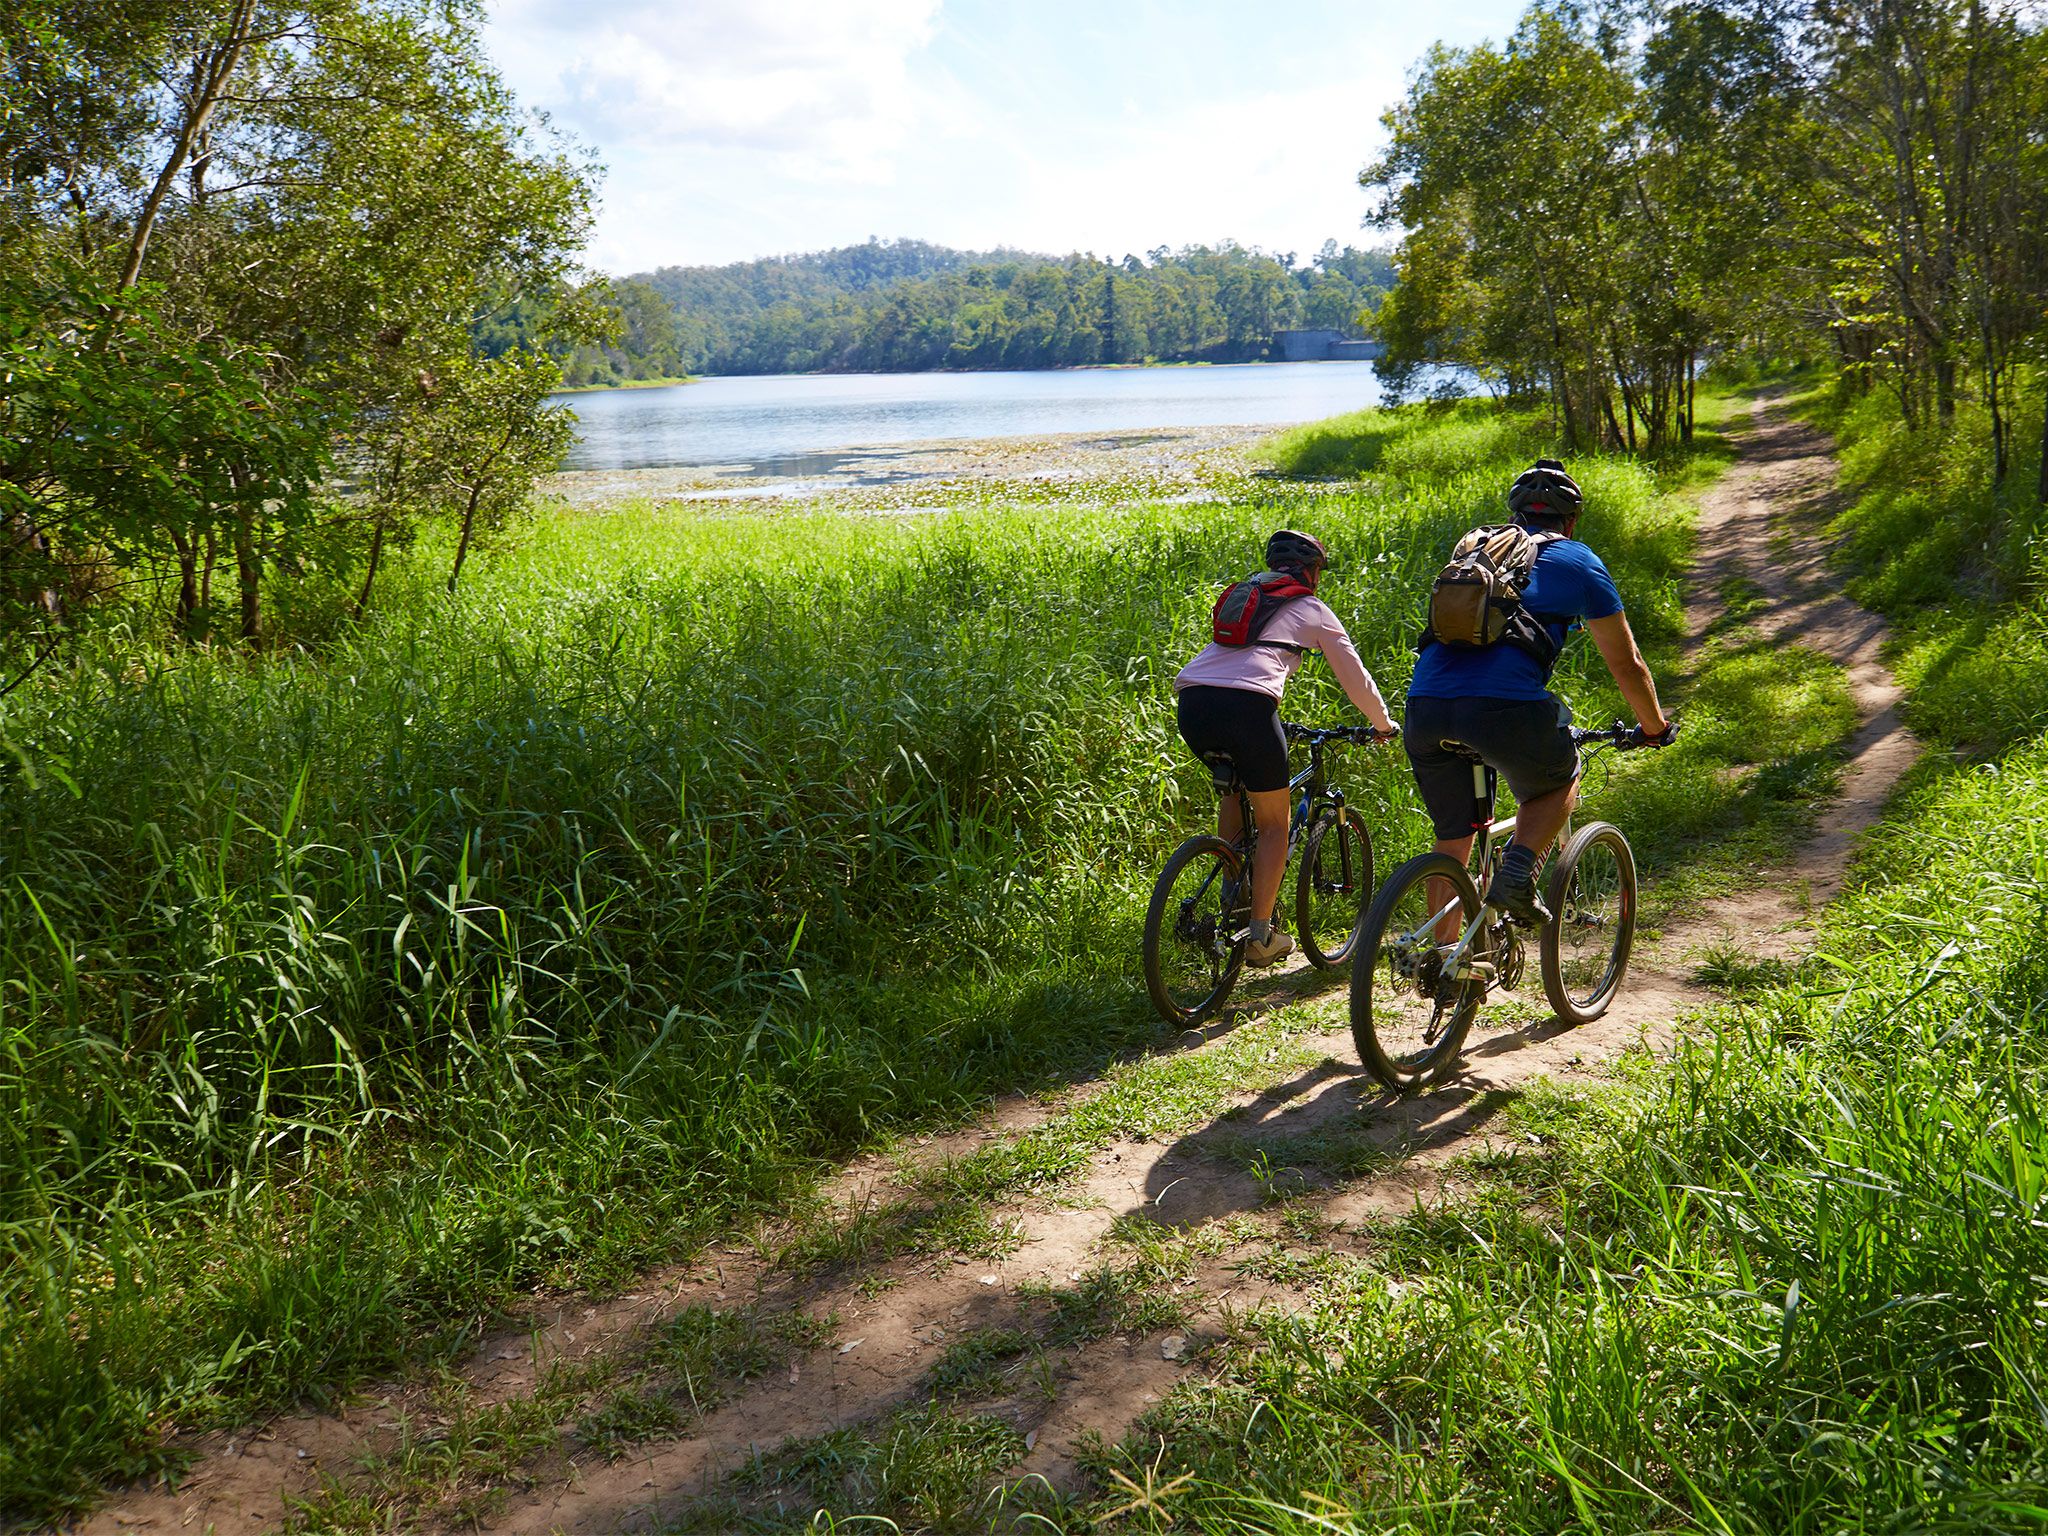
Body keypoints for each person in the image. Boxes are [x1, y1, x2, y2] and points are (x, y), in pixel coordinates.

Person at [1405, 461, 1675, 927]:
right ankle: (1516, 875)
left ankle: (1444, 957)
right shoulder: (1579, 560)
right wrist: (1654, 728)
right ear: (1570, 522)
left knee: (1453, 838)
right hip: (1502, 707)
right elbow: (1625, 662)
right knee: (1558, 779)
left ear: (1513, 517)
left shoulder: (1473, 552)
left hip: (1424, 707)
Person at [1175, 529, 1400, 968]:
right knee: (1276, 825)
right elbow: (1355, 678)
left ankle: (1233, 893)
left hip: (1194, 703)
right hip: (1249, 707)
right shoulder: (1312, 608)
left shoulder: (1248, 595)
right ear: (1313, 572)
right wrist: (1383, 724)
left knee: (1233, 794)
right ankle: (1260, 937)